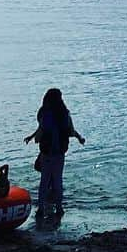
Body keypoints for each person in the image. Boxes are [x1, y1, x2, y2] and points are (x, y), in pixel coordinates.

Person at [25, 87, 85, 218]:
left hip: (46, 153)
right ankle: (59, 208)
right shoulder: (65, 114)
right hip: (59, 153)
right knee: (58, 180)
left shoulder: (45, 114)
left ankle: (41, 209)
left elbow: (40, 133)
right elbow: (71, 131)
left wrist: (34, 138)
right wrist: (80, 137)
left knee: (44, 181)